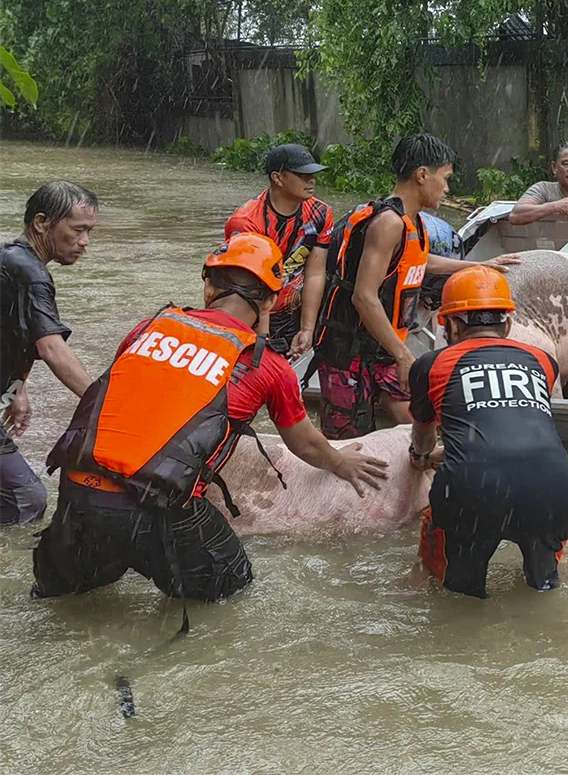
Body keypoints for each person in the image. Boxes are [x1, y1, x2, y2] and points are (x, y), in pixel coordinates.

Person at [32, 234, 388, 601]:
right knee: (230, 589)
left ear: (207, 286)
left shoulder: (147, 329)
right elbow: (305, 443)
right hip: (157, 508)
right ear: (271, 301)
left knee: (65, 598)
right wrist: (341, 463)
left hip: (77, 491)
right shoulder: (266, 365)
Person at [309, 133, 519, 440]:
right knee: (347, 448)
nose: (447, 188)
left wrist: (478, 265)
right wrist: (404, 355)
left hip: (383, 351)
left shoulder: (412, 222)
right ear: (422, 175)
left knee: (420, 424)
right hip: (347, 354)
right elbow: (364, 297)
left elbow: (420, 261)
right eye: (445, 178)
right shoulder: (388, 223)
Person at [408, 266, 568, 597]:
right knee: (542, 589)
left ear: (453, 325)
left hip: (473, 490)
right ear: (509, 323)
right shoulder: (543, 361)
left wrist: (420, 457)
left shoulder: (431, 364)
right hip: (555, 488)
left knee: (451, 592)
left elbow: (424, 436)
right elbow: (518, 420)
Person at [0, 182, 98, 527]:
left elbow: (11, 335)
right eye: (78, 230)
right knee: (26, 499)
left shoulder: (10, 260)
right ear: (42, 223)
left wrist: (16, 389)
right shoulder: (30, 274)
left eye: (89, 231)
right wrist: (103, 402)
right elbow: (51, 347)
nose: (85, 242)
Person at [225, 143, 334, 357]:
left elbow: (315, 273)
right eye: (302, 175)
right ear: (277, 178)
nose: (311, 180)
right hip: (249, 310)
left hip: (290, 307)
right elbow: (245, 288)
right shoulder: (246, 223)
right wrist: (262, 339)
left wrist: (307, 329)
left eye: (313, 174)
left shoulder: (321, 214)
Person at [508, 141, 568, 226]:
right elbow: (515, 216)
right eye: (566, 164)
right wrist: (555, 206)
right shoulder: (543, 189)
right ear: (554, 167)